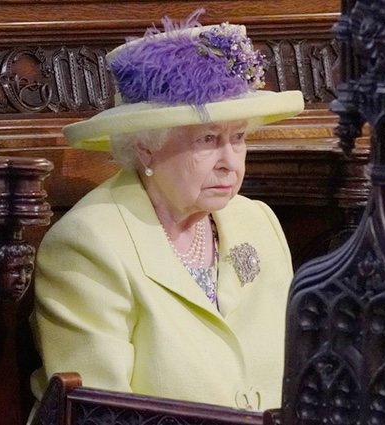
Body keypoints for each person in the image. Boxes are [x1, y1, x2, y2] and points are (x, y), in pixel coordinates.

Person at [29, 9, 304, 411]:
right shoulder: (87, 245)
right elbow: (101, 415)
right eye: (209, 139)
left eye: (239, 137)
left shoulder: (257, 222)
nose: (231, 161)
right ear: (145, 147)